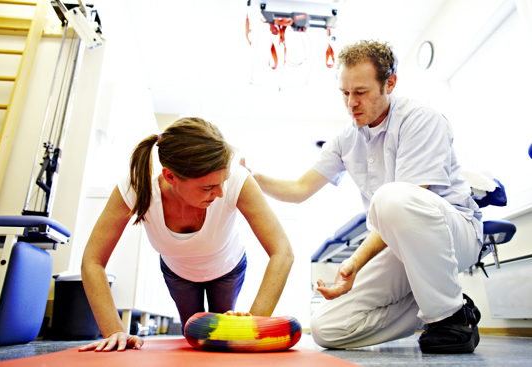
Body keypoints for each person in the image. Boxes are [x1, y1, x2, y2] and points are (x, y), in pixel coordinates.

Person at [241, 40, 483, 354]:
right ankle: (452, 303)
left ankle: (449, 318)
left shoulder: (421, 119)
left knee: (390, 198)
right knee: (325, 328)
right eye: (345, 93)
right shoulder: (347, 138)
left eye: (361, 92)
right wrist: (252, 178)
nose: (351, 103)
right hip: (401, 244)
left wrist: (355, 261)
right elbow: (299, 189)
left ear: (389, 84)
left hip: (454, 237)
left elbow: (403, 203)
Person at [79, 117, 294, 352]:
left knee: (220, 342)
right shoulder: (137, 186)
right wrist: (114, 331)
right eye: (207, 187)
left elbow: (282, 252)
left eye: (222, 182)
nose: (220, 193)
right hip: (178, 272)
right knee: (194, 339)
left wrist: (253, 326)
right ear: (170, 177)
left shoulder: (237, 180)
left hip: (227, 268)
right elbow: (92, 260)